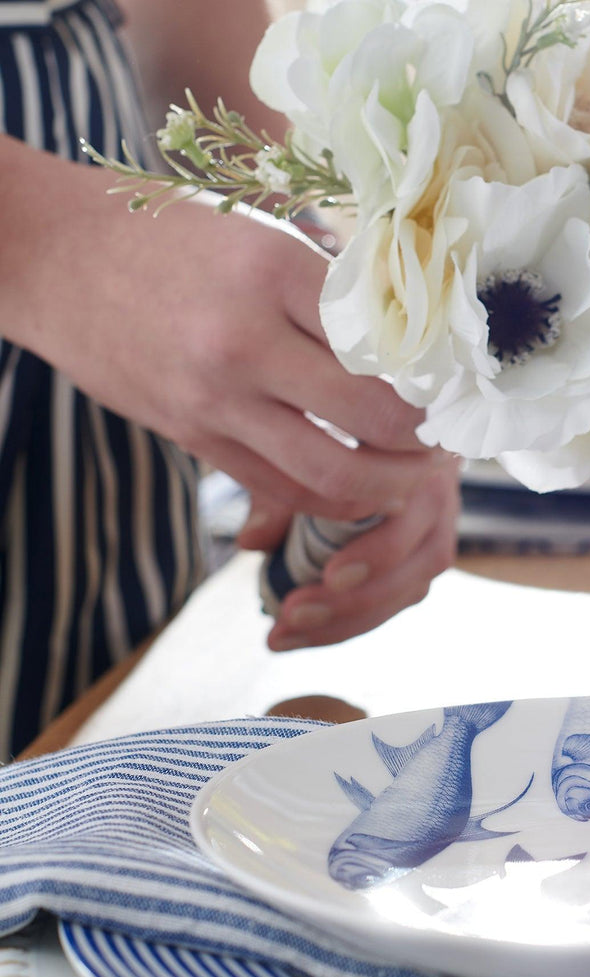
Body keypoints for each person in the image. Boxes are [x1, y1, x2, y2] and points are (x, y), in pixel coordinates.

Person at [0, 0, 460, 761]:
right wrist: (42, 244)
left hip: (111, 464)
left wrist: (328, 337)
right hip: (66, 229)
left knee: (96, 795)